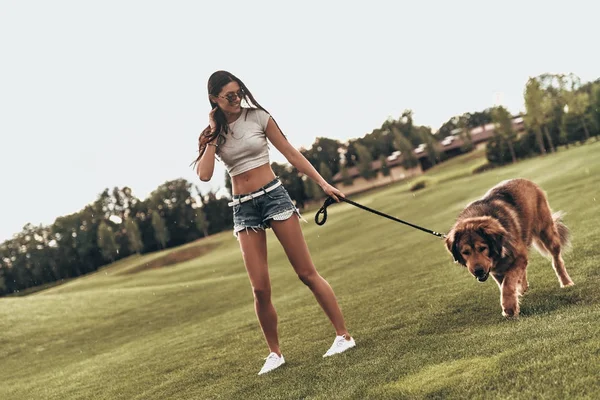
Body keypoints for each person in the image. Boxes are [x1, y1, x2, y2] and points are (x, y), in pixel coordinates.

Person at [193, 70, 355, 375]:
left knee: (306, 273)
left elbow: (290, 152)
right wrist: (213, 133)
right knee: (260, 289)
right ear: (214, 98)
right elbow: (204, 174)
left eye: (239, 92)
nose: (236, 98)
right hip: (243, 208)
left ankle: (343, 336)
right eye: (229, 95)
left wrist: (323, 184)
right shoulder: (212, 133)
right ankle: (275, 354)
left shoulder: (258, 117)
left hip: (273, 196)